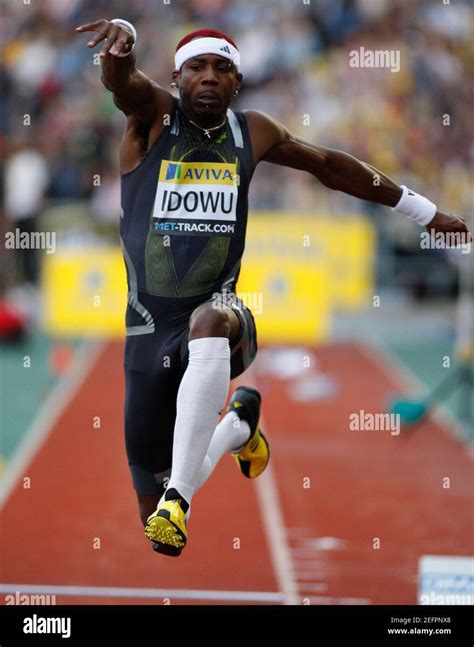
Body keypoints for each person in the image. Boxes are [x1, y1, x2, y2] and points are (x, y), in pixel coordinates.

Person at [75, 19, 470, 557]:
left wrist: (423, 211)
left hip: (222, 320)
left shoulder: (252, 132)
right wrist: (120, 40)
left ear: (238, 80)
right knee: (156, 537)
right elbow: (122, 83)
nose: (209, 78)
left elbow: (330, 167)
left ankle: (180, 501)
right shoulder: (152, 118)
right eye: (197, 68)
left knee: (211, 319)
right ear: (177, 76)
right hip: (147, 332)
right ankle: (238, 425)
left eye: (222, 68)